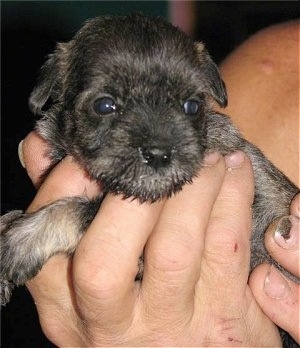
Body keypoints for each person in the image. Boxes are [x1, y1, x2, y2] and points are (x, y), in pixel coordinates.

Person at [16, 20, 299, 346]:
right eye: (105, 106)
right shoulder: (273, 63)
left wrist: (47, 228)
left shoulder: (219, 145)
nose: (159, 144)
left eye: (189, 107)